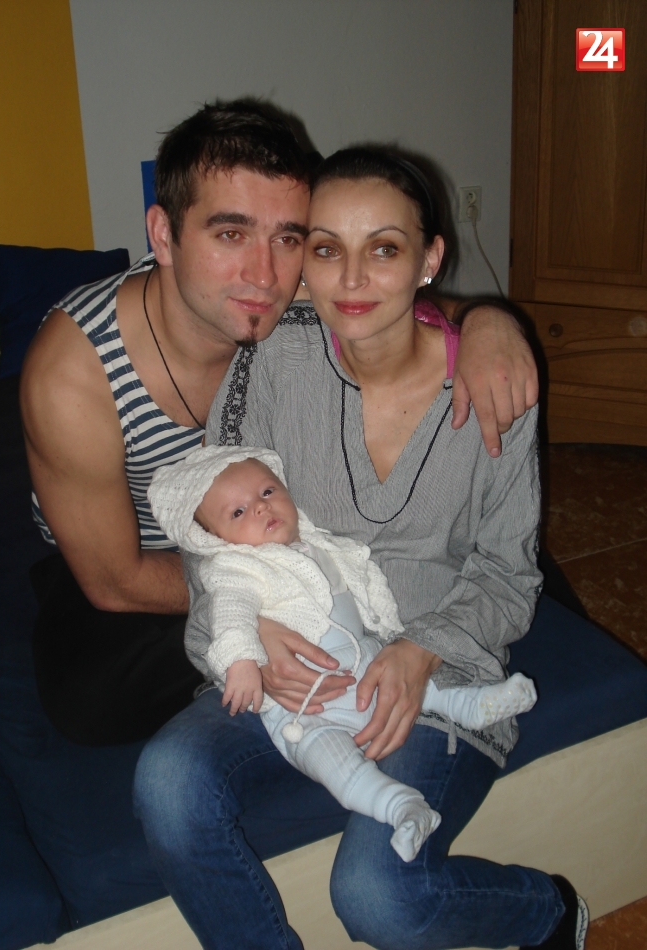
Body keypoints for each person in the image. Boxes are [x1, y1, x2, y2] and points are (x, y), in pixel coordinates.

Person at [133, 146, 588, 950]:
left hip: (435, 678)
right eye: (325, 248)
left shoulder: (493, 388)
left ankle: (547, 911)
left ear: (429, 260)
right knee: (167, 781)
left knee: (378, 898)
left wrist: (421, 651)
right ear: (303, 264)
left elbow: (508, 573)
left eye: (383, 248)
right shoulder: (272, 359)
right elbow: (212, 526)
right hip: (296, 674)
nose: (351, 279)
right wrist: (250, 632)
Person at [20, 100, 539, 748]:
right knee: (88, 698)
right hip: (154, 560)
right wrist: (262, 608)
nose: (264, 275)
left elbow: (393, 297)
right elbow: (115, 581)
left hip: (292, 529)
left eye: (290, 238)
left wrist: (489, 321)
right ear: (163, 235)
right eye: (230, 235)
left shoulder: (292, 289)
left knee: (506, 569)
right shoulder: (74, 375)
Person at [147, 444, 537, 863]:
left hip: (360, 665)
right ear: (217, 540)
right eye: (238, 512)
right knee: (334, 765)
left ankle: (475, 706)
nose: (260, 508)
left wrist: (387, 624)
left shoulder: (320, 543)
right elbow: (229, 613)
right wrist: (241, 662)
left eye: (267, 492)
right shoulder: (236, 569)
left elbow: (364, 581)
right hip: (305, 708)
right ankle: (402, 808)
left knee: (413, 685)